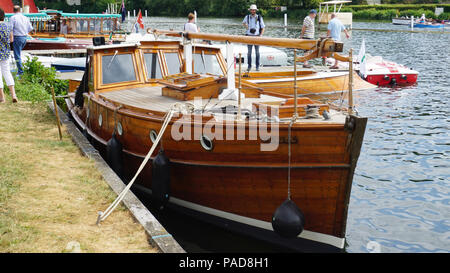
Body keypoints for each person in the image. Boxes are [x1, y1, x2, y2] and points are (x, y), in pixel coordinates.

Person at [9, 5, 33, 77]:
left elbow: (10, 29)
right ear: (20, 10)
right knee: (18, 54)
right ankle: (20, 69)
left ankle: (20, 72)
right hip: (24, 38)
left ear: (13, 10)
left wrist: (11, 39)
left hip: (17, 37)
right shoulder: (25, 18)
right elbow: (30, 28)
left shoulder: (12, 18)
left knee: (17, 55)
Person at [0, 8, 17, 103]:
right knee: (7, 73)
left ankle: (2, 97)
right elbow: (11, 40)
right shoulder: (8, 26)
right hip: (5, 52)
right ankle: (13, 95)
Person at [242, 4, 265, 72]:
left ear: (255, 10)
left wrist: (261, 35)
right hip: (249, 36)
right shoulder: (247, 17)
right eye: (252, 10)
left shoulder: (259, 17)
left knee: (257, 52)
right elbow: (243, 23)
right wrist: (247, 27)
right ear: (250, 10)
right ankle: (249, 66)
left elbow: (263, 27)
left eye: (254, 10)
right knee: (249, 53)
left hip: (257, 37)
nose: (253, 11)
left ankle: (257, 66)